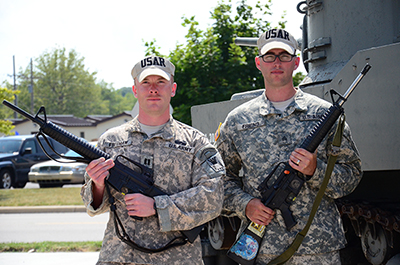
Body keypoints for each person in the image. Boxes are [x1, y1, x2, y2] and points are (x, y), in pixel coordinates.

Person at [215, 29, 362, 264]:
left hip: (318, 250)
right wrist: (246, 205)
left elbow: (352, 175)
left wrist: (316, 170)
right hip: (262, 251)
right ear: (258, 63)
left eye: (284, 56)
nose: (276, 62)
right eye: (269, 56)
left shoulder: (323, 114)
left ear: (296, 62)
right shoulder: (238, 120)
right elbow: (218, 182)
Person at [81, 55, 225, 265]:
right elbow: (92, 205)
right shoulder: (110, 141)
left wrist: (158, 207)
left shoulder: (195, 142)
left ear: (173, 89)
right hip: (121, 258)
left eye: (161, 82)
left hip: (177, 259)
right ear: (135, 90)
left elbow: (214, 196)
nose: (153, 89)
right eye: (146, 82)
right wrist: (98, 185)